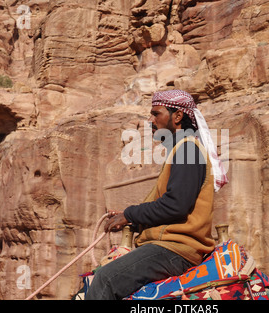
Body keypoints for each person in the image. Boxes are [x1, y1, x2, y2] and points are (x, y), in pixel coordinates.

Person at [85, 89, 228, 300]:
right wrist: (129, 217)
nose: (151, 120)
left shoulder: (188, 150)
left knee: (105, 279)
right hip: (169, 245)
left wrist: (130, 214)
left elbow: (175, 206)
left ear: (177, 116)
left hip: (176, 249)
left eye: (156, 113)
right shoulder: (182, 150)